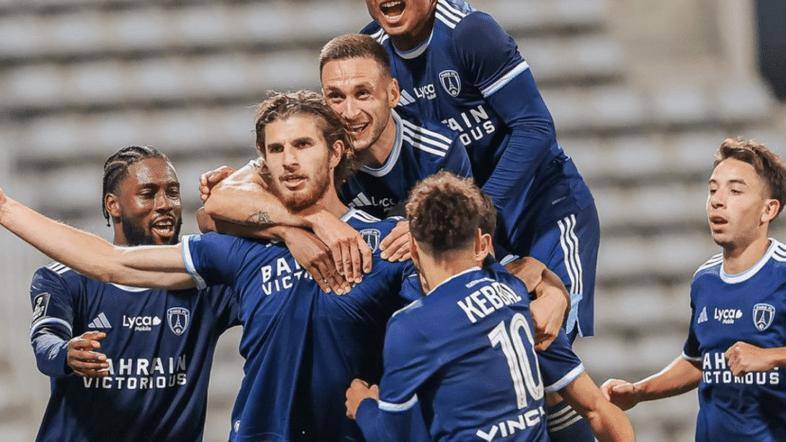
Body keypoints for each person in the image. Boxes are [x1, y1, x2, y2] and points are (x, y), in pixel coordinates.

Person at [1, 93, 419, 441]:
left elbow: (434, 336)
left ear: (335, 152)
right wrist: (6, 209)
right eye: (276, 150)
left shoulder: (390, 243)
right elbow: (111, 263)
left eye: (303, 145)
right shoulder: (245, 250)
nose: (289, 160)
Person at [200, 35, 570, 348]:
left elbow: (469, 248)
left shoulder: (437, 151)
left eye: (363, 94)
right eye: (335, 97)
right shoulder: (313, 148)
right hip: (345, 304)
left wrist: (554, 290)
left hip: (407, 299)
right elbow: (213, 210)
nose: (348, 112)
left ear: (392, 93)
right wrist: (303, 224)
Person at [360, 1, 601, 437]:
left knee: (542, 349)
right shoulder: (368, 54)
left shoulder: (469, 33)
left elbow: (534, 126)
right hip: (472, 225)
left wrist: (473, 212)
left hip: (542, 212)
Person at [344, 172, 633, 441]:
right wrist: (550, 284)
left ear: (414, 251)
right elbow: (597, 409)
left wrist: (364, 407)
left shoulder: (411, 324)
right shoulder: (516, 294)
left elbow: (395, 436)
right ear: (483, 244)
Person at [27, 146, 239, 441]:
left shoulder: (205, 283)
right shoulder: (66, 280)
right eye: (148, 193)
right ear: (113, 205)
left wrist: (244, 202)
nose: (165, 204)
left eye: (173, 192)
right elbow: (44, 342)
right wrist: (66, 353)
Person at [601, 138, 786, 441]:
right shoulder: (705, 280)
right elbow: (698, 362)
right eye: (713, 190)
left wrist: (773, 357)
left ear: (768, 210)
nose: (718, 200)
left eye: (735, 191)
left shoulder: (781, 273)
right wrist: (638, 391)